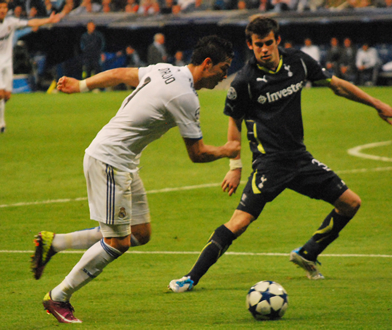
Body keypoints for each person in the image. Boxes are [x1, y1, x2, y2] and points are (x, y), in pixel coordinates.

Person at [168, 16, 392, 293]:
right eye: (258, 45)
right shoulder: (244, 80)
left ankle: (308, 252)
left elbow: (336, 84)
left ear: (277, 40)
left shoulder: (298, 62)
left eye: (268, 43)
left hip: (300, 159)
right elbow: (234, 121)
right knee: (239, 222)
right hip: (269, 165)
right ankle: (190, 278)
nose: (264, 49)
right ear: (250, 45)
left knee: (351, 203)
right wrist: (235, 165)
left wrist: (376, 104)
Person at [31, 35, 239, 324]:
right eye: (224, 67)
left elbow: (120, 74)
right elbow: (198, 154)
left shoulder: (165, 69)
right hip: (109, 160)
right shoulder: (186, 98)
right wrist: (227, 150)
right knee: (117, 242)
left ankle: (55, 243)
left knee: (140, 233)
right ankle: (59, 296)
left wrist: (81, 85)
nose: (224, 75)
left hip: (124, 162)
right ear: (207, 63)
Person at [0, 0, 63, 133]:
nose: (2, 10)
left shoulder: (10, 22)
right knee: (0, 93)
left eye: (4, 7)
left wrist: (48, 20)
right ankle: (2, 125)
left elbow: (30, 22)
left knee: (7, 95)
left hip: (7, 62)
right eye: (0, 7)